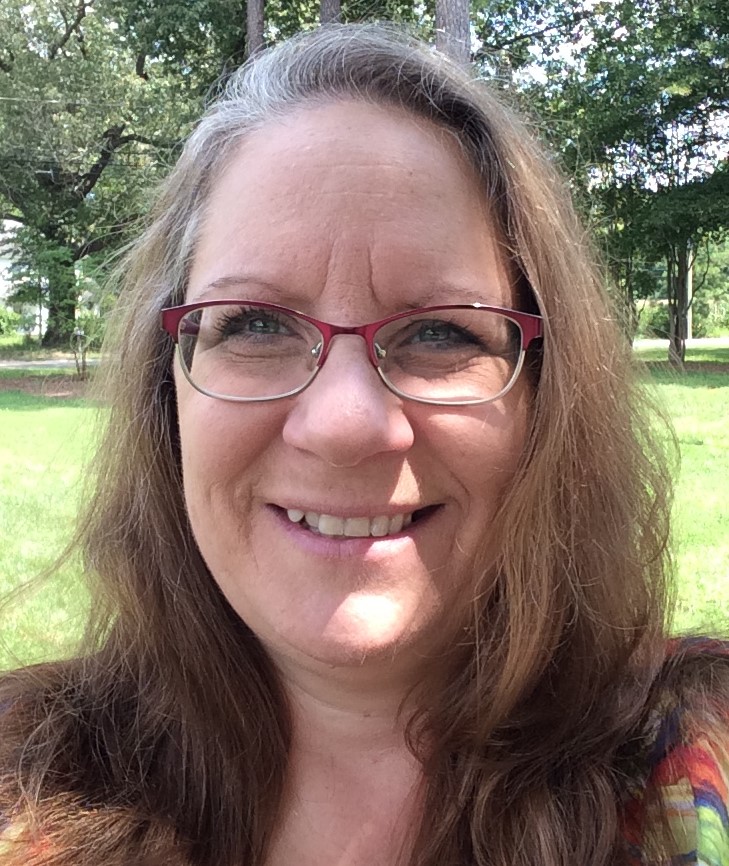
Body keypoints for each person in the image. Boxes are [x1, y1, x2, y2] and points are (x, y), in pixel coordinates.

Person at [1, 23, 727, 866]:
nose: (344, 423)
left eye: (440, 332)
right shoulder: (27, 776)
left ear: (546, 397)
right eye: (255, 324)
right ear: (167, 396)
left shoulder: (695, 756)